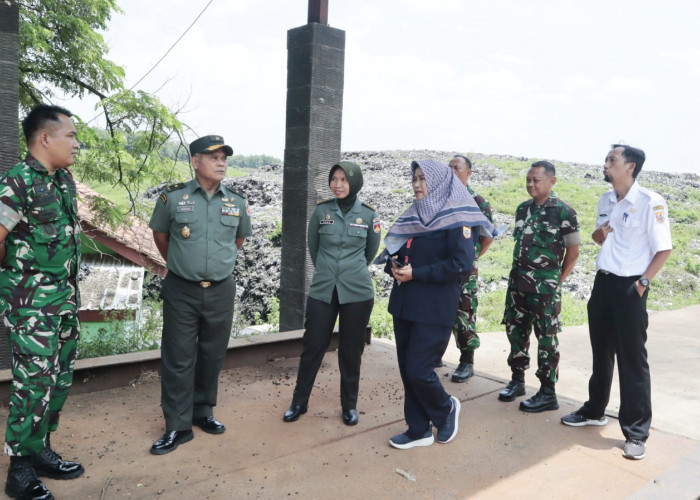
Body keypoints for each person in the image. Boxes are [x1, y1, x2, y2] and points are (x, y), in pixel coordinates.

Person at [561, 145, 672, 461]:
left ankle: (636, 433)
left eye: (612, 160)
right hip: (603, 283)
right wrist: (599, 233)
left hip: (631, 286)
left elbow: (663, 248)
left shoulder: (651, 202)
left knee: (632, 360)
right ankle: (595, 409)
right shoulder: (606, 200)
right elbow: (599, 238)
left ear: (630, 166)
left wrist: (643, 283)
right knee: (601, 353)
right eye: (607, 159)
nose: (606, 164)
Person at [148, 135, 252, 455]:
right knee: (179, 357)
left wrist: (214, 267)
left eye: (224, 157)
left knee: (212, 353)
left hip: (220, 289)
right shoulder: (173, 199)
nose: (221, 163)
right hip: (182, 289)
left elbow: (238, 241)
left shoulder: (236, 201)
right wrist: (184, 266)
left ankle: (203, 411)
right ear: (195, 162)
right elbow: (161, 237)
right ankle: (177, 426)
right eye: (213, 157)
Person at [0, 105, 84, 499]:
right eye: (70, 135)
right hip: (31, 306)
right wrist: (14, 288)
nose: (76, 143)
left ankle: (40, 451)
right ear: (45, 138)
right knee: (32, 384)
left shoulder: (63, 180)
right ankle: (19, 472)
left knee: (59, 378)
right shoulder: (17, 181)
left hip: (64, 300)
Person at [384, 159, 493, 449]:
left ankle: (445, 409)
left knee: (419, 369)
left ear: (440, 182)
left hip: (433, 307)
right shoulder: (414, 215)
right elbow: (397, 251)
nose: (417, 184)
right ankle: (418, 428)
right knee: (408, 371)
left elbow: (461, 263)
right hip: (405, 304)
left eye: (423, 179)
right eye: (414, 179)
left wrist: (416, 273)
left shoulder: (458, 218)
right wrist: (393, 266)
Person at [283, 162, 380, 426]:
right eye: (333, 179)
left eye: (343, 180)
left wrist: (348, 270)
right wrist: (330, 270)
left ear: (354, 183)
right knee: (313, 346)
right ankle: (299, 402)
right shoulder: (321, 211)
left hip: (357, 292)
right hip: (324, 289)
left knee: (351, 351)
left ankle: (349, 405)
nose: (337, 185)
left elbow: (370, 252)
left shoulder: (369, 216)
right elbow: (313, 248)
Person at [499, 161, 580, 412]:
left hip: (545, 290)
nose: (530, 184)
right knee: (516, 332)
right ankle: (517, 380)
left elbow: (573, 251)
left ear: (552, 181)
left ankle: (547, 392)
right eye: (528, 180)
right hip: (518, 286)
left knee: (546, 339)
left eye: (536, 180)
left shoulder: (565, 212)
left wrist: (558, 280)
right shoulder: (522, 209)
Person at [446, 155, 494, 382]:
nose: (452, 171)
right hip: (441, 265)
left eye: (457, 168)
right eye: (449, 168)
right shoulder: (438, 198)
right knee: (437, 307)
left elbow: (487, 237)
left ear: (468, 173)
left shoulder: (478, 202)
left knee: (465, 310)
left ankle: (467, 361)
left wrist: (471, 258)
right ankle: (434, 353)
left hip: (465, 269)